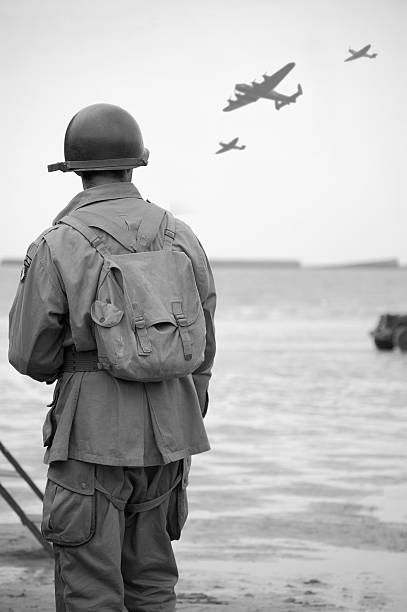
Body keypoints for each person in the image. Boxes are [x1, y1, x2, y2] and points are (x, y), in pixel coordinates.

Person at [8, 103, 216, 612]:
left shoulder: (58, 243)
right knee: (152, 582)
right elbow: (205, 336)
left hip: (91, 438)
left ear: (75, 171)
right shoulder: (180, 233)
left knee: (91, 592)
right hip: (171, 436)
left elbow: (29, 354)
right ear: (135, 163)